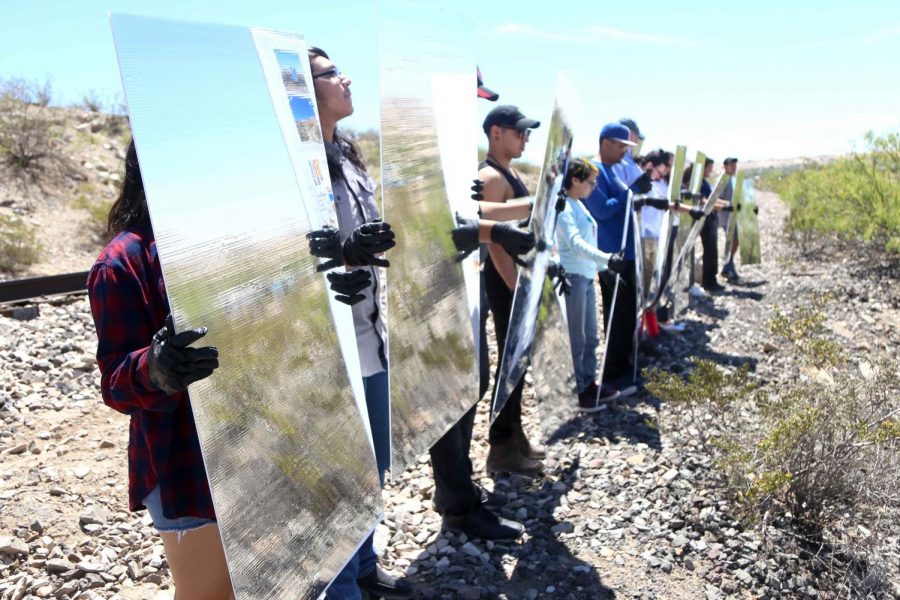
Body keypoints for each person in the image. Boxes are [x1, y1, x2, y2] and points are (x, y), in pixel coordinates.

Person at [87, 141, 232, 600]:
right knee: (208, 595)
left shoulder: (229, 240)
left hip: (253, 442)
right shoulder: (121, 262)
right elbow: (114, 383)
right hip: (185, 460)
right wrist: (154, 368)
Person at [304, 47, 412, 600]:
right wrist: (343, 252)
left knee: (374, 464)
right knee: (344, 469)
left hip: (373, 331)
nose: (345, 78)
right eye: (330, 73)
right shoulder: (296, 161)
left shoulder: (348, 152)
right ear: (304, 86)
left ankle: (365, 566)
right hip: (331, 342)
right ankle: (342, 584)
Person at [477, 104, 545, 477]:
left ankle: (515, 436)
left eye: (526, 133)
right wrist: (514, 285)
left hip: (515, 280)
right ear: (496, 133)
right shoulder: (490, 175)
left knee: (517, 363)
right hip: (504, 281)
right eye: (519, 132)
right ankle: (501, 447)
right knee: (509, 363)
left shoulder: (509, 171)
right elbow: (492, 240)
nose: (525, 138)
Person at [583, 122, 653, 397]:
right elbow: (601, 210)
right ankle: (613, 373)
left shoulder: (613, 170)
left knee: (627, 312)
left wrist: (632, 192)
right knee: (616, 314)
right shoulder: (594, 171)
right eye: (621, 146)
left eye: (627, 147)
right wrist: (630, 191)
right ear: (606, 143)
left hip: (627, 252)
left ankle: (626, 369)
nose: (625, 152)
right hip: (611, 255)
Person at [555, 158, 625, 412]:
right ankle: (577, 391)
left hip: (585, 276)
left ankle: (588, 384)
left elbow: (586, 242)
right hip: (573, 277)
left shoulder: (578, 204)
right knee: (578, 338)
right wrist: (606, 259)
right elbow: (574, 243)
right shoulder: (564, 207)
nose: (594, 187)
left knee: (591, 337)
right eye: (591, 182)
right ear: (575, 180)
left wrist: (603, 268)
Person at [719, 157, 740, 282]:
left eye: (735, 165)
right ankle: (727, 268)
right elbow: (717, 198)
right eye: (732, 165)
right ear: (726, 166)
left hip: (732, 217)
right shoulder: (723, 180)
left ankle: (729, 266)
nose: (734, 168)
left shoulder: (732, 179)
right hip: (726, 217)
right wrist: (728, 205)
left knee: (734, 241)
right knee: (732, 241)